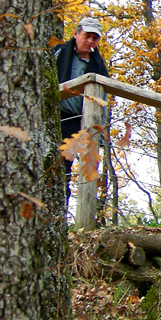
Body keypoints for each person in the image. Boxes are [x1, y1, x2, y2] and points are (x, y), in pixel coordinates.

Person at [56, 16, 110, 197]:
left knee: (63, 168)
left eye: (95, 38)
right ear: (76, 34)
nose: (90, 41)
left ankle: (60, 213)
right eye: (87, 36)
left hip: (80, 122)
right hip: (54, 116)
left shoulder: (99, 67)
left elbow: (102, 101)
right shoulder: (59, 53)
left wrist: (99, 132)